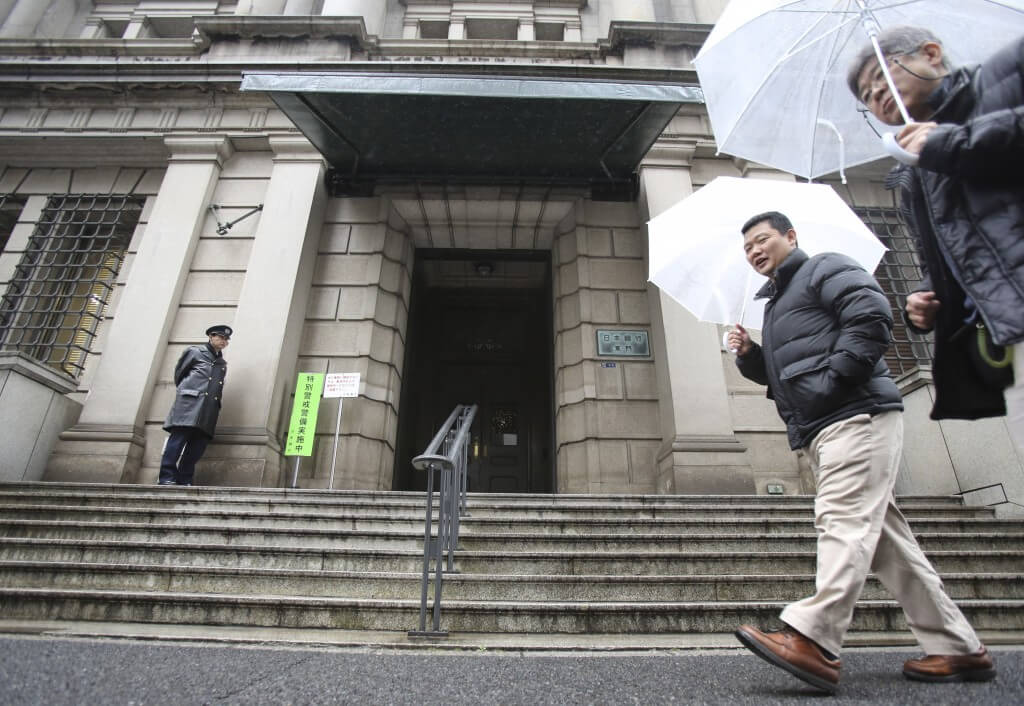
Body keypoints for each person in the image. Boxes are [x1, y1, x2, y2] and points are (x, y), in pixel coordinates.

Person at [727, 211, 993, 694]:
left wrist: (835, 381)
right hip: (823, 426)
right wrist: (751, 356)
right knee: (889, 544)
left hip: (855, 414)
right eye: (747, 248)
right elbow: (785, 378)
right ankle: (957, 647)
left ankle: (814, 637)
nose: (755, 252)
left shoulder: (824, 267)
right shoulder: (777, 303)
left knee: (842, 518)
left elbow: (871, 313)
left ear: (791, 236)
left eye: (762, 240)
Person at [847, 27, 1024, 428]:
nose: (879, 97)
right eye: (869, 98)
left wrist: (955, 141)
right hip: (1005, 332)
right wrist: (924, 301)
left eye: (882, 78)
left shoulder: (1006, 74)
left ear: (930, 54)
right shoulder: (913, 176)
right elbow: (942, 259)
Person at [158, 324, 231, 486]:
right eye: (221, 337)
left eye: (226, 339)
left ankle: (185, 479)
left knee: (197, 447)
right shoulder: (195, 352)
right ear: (211, 336)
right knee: (177, 441)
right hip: (189, 405)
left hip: (208, 409)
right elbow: (180, 375)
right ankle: (167, 477)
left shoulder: (221, 363)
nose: (223, 341)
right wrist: (188, 393)